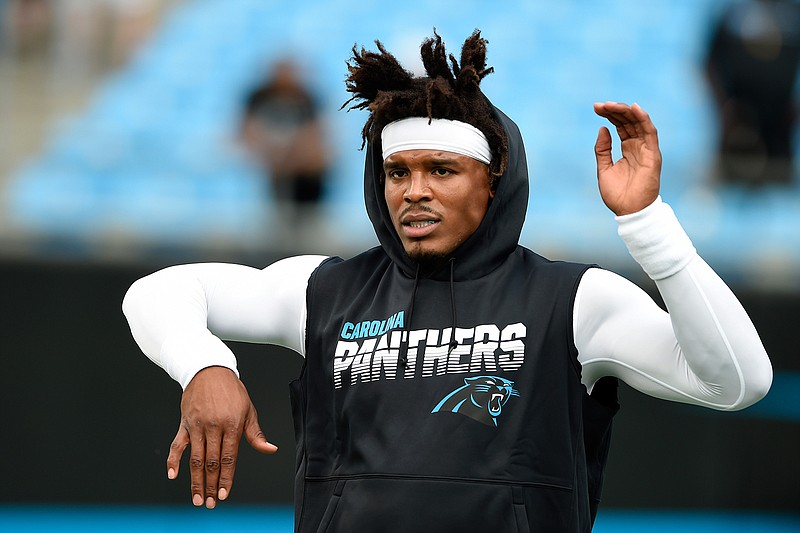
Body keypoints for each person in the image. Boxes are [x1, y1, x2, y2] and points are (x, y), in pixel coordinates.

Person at [123, 31, 772, 532]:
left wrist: (648, 225)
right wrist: (206, 365)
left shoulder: (574, 302)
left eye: (441, 169)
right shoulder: (325, 289)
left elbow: (736, 382)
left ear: (493, 181)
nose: (415, 191)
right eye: (397, 171)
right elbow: (155, 293)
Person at [704, 0, 800, 186]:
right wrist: (724, 108)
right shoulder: (732, 15)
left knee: (780, 181)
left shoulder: (794, 16)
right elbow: (710, 65)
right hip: (738, 123)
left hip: (780, 124)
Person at [240, 57, 331, 216]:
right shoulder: (258, 97)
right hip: (270, 157)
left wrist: (291, 156)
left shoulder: (306, 99)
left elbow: (313, 134)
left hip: (295, 164)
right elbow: (246, 130)